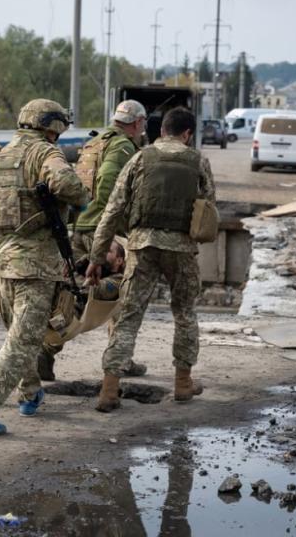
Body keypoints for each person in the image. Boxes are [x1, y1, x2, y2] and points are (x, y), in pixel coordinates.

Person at [0, 99, 88, 436]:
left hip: (1, 263)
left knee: (20, 334)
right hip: (35, 264)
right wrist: (81, 198)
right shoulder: (45, 153)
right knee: (23, 340)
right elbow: (67, 185)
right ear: (52, 126)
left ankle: (30, 393)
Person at [86, 108, 216, 413]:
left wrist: (96, 256)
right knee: (184, 313)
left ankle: (109, 389)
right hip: (181, 249)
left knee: (129, 316)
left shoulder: (140, 158)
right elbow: (209, 206)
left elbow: (113, 210)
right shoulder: (198, 160)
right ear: (188, 134)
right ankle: (183, 383)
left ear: (162, 131)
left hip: (141, 245)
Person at [37, 100, 149, 381]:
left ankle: (47, 351)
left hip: (80, 226)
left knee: (73, 295)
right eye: (143, 124)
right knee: (125, 293)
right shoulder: (123, 147)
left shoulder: (93, 144)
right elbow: (111, 187)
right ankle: (120, 359)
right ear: (136, 123)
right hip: (104, 230)